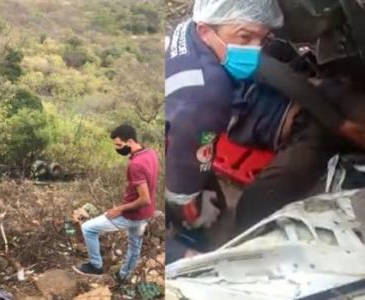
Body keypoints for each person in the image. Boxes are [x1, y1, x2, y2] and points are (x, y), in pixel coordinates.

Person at [164, 0, 365, 263]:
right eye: (246, 37)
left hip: (270, 101)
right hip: (260, 116)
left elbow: (273, 70)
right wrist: (188, 205)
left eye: (262, 38)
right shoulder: (205, 99)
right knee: (254, 203)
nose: (255, 47)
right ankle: (238, 246)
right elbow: (183, 180)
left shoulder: (205, 27)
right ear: (206, 30)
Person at [73, 124, 159, 281]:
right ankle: (124, 277)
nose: (117, 148)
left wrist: (120, 209)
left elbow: (144, 198)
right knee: (135, 247)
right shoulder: (151, 154)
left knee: (88, 228)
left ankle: (96, 266)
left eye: (119, 145)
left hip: (131, 216)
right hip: (145, 215)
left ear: (130, 141)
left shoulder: (135, 164)